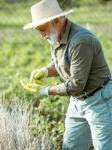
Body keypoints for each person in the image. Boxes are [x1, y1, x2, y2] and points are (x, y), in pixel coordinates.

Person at [21, 0, 112, 149]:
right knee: (71, 147)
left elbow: (76, 85)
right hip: (77, 102)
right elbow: (63, 64)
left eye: (42, 30)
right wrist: (45, 71)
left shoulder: (81, 41)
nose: (42, 35)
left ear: (56, 21)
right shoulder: (56, 36)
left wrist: (45, 91)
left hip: (99, 100)